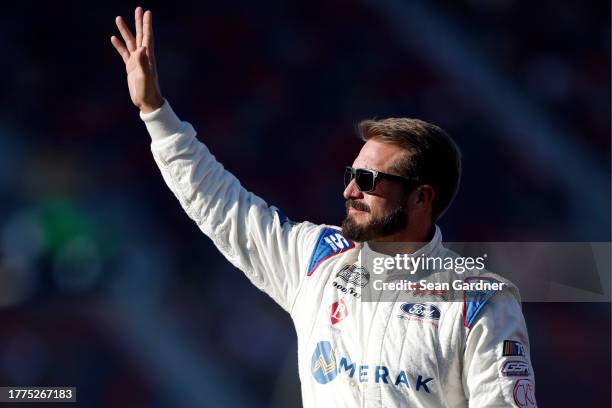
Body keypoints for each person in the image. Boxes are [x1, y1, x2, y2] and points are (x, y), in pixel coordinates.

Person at [111, 7, 537, 407]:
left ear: (421, 197)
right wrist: (156, 114)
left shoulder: (481, 301)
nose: (350, 190)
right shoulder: (317, 259)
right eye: (350, 175)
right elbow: (223, 206)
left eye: (368, 180)